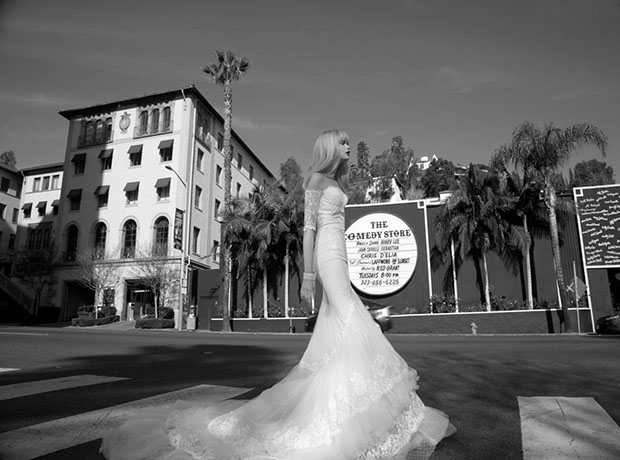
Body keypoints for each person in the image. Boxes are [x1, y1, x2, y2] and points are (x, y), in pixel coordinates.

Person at [100, 130, 454, 460]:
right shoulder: (317, 180)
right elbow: (310, 227)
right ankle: (352, 405)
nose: (349, 146)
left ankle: (344, 404)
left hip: (342, 255)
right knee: (353, 321)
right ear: (331, 147)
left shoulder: (335, 182)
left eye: (349, 143)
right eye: (343, 143)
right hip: (327, 257)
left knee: (337, 332)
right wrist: (309, 274)